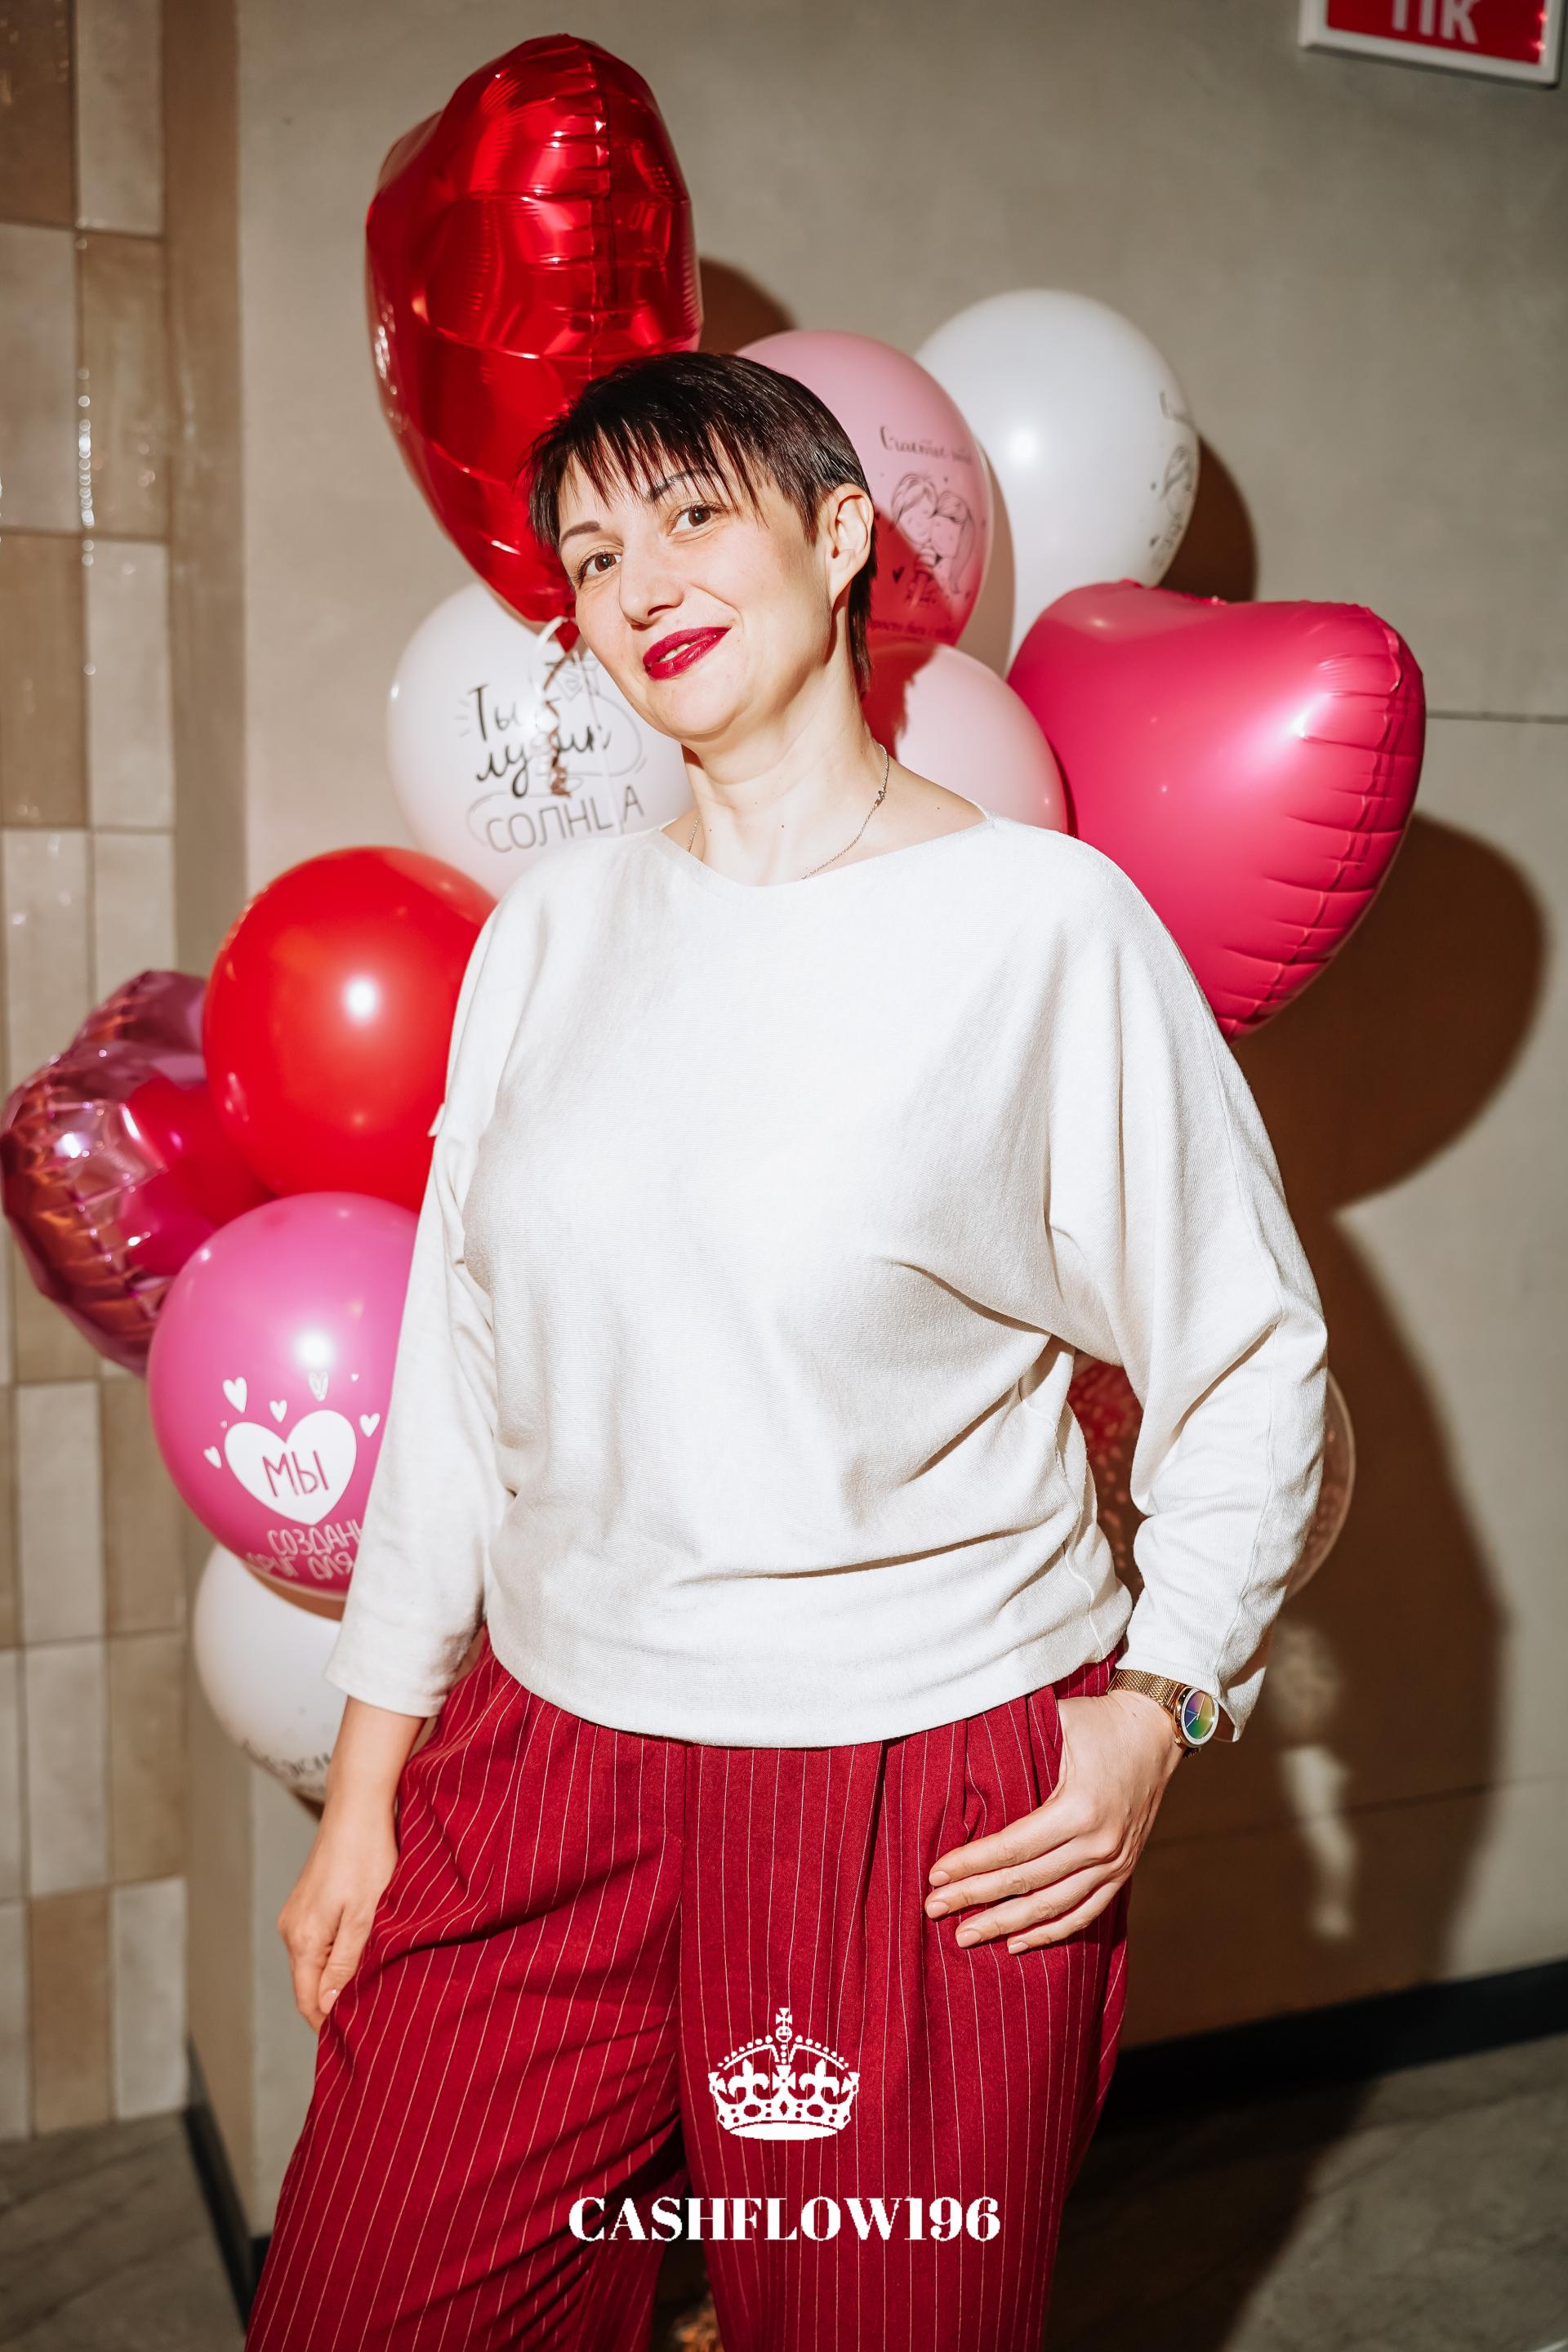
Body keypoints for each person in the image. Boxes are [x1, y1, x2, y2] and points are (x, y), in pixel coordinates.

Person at [244, 351, 1328, 2352]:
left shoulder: (1041, 927)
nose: (639, 579)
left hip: (916, 1803)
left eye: (691, 515)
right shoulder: (551, 931)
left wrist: (1164, 1699)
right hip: (544, 1768)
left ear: (840, 539)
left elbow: (1251, 1352)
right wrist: (369, 1784)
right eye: (592, 555)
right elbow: (463, 1378)